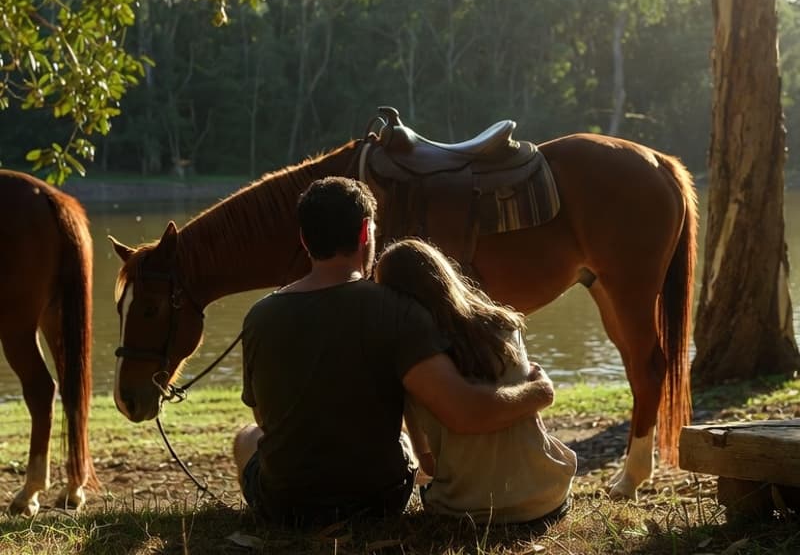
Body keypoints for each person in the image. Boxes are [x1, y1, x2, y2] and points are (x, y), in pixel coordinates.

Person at [233, 176, 554, 527]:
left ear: (304, 239)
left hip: (283, 507)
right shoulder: (397, 310)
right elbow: (465, 412)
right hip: (376, 503)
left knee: (247, 437)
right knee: (401, 440)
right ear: (365, 233)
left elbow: (267, 420)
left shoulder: (259, 316)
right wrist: (537, 391)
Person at [374, 237, 577, 525]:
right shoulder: (505, 324)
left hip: (467, 512)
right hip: (548, 497)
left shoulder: (412, 359)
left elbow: (428, 462)